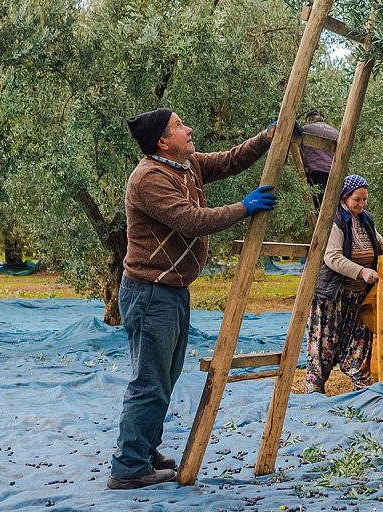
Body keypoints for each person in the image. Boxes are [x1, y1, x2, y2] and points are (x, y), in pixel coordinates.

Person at [108, 108, 277, 490]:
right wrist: (243, 208)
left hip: (171, 291)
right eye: (180, 125)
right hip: (150, 293)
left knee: (164, 377)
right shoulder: (148, 178)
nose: (189, 128)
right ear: (162, 142)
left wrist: (266, 138)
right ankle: (128, 466)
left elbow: (230, 160)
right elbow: (192, 220)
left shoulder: (186, 165)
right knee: (149, 380)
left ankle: (145, 451)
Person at [306, 174, 383, 394]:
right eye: (357, 199)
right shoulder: (334, 220)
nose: (362, 204)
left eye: (365, 199)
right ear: (345, 198)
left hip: (359, 295)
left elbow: (380, 243)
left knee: (359, 339)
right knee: (325, 341)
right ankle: (315, 385)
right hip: (333, 294)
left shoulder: (365, 218)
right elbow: (332, 257)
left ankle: (360, 381)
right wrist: (361, 271)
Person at [298, 109, 340, 210]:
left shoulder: (305, 129)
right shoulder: (337, 133)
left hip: (317, 172)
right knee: (335, 206)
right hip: (336, 172)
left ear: (310, 118)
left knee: (319, 207)